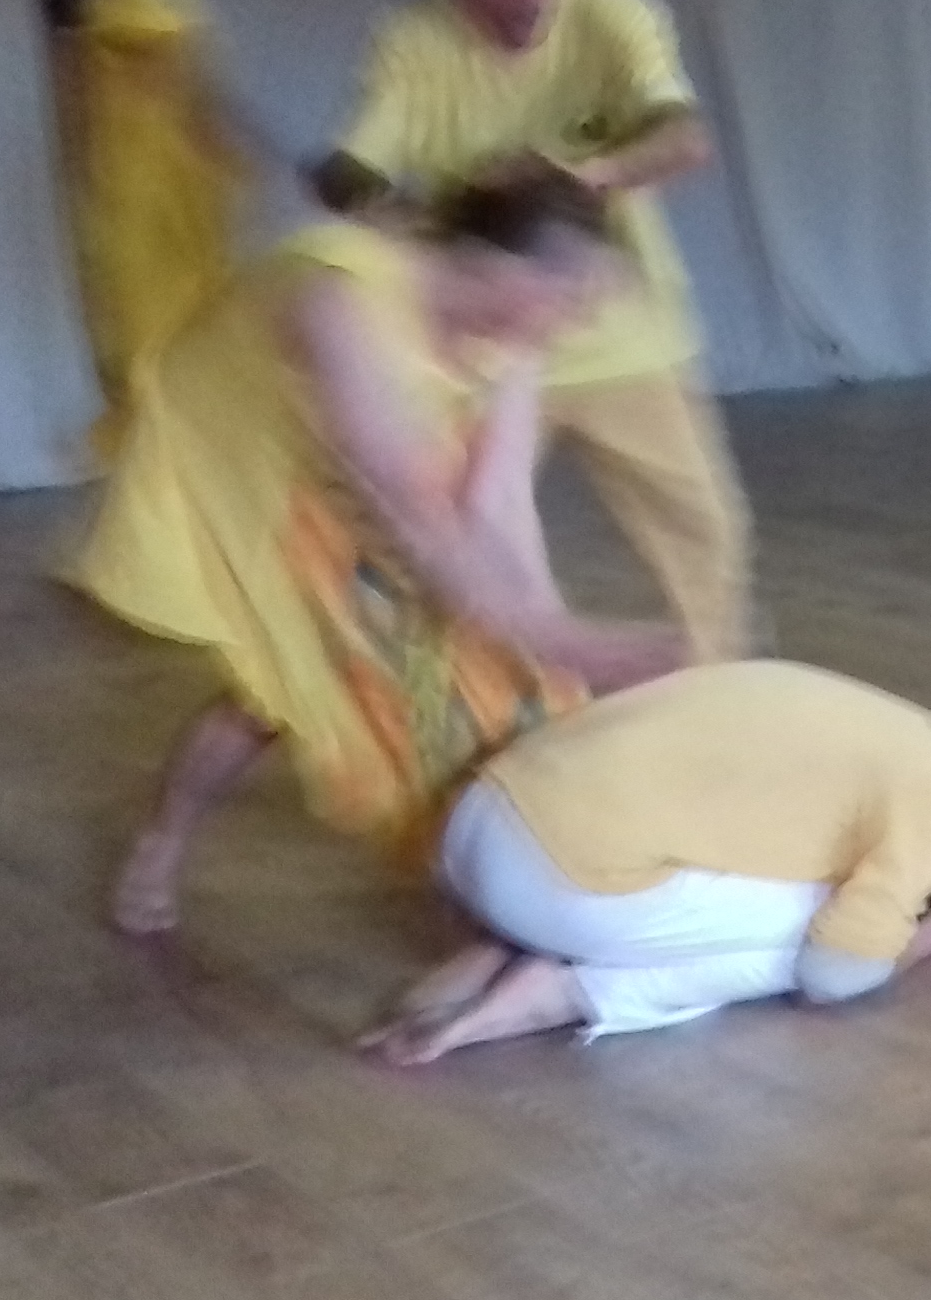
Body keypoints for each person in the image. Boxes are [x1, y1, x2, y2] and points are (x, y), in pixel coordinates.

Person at [78, 156, 684, 935]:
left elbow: (499, 500)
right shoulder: (340, 295)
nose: (573, 322)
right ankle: (163, 839)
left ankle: (507, 863)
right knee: (278, 688)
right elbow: (411, 507)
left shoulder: (517, 336)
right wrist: (573, 644)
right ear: (501, 268)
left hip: (397, 459)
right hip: (269, 459)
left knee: (514, 678)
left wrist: (554, 639)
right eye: (567, 297)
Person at [320, 0, 754, 664]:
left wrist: (574, 180)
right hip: (486, 351)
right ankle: (456, 712)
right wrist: (448, 232)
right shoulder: (411, 40)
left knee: (705, 534)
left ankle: (714, 686)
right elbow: (347, 176)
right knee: (451, 547)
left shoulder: (611, 13)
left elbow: (684, 139)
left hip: (623, 337)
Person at [360, 660, 931, 1065]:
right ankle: (559, 991)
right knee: (827, 933)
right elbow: (831, 980)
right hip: (552, 873)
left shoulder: (887, 735)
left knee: (795, 890)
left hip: (478, 818)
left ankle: (514, 941)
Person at [58, 0, 251, 462]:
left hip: (172, 200)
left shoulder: (138, 5)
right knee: (155, 355)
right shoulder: (120, 10)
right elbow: (199, 95)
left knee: (189, 348)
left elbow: (199, 102)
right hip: (140, 208)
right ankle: (160, 499)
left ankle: (182, 493)